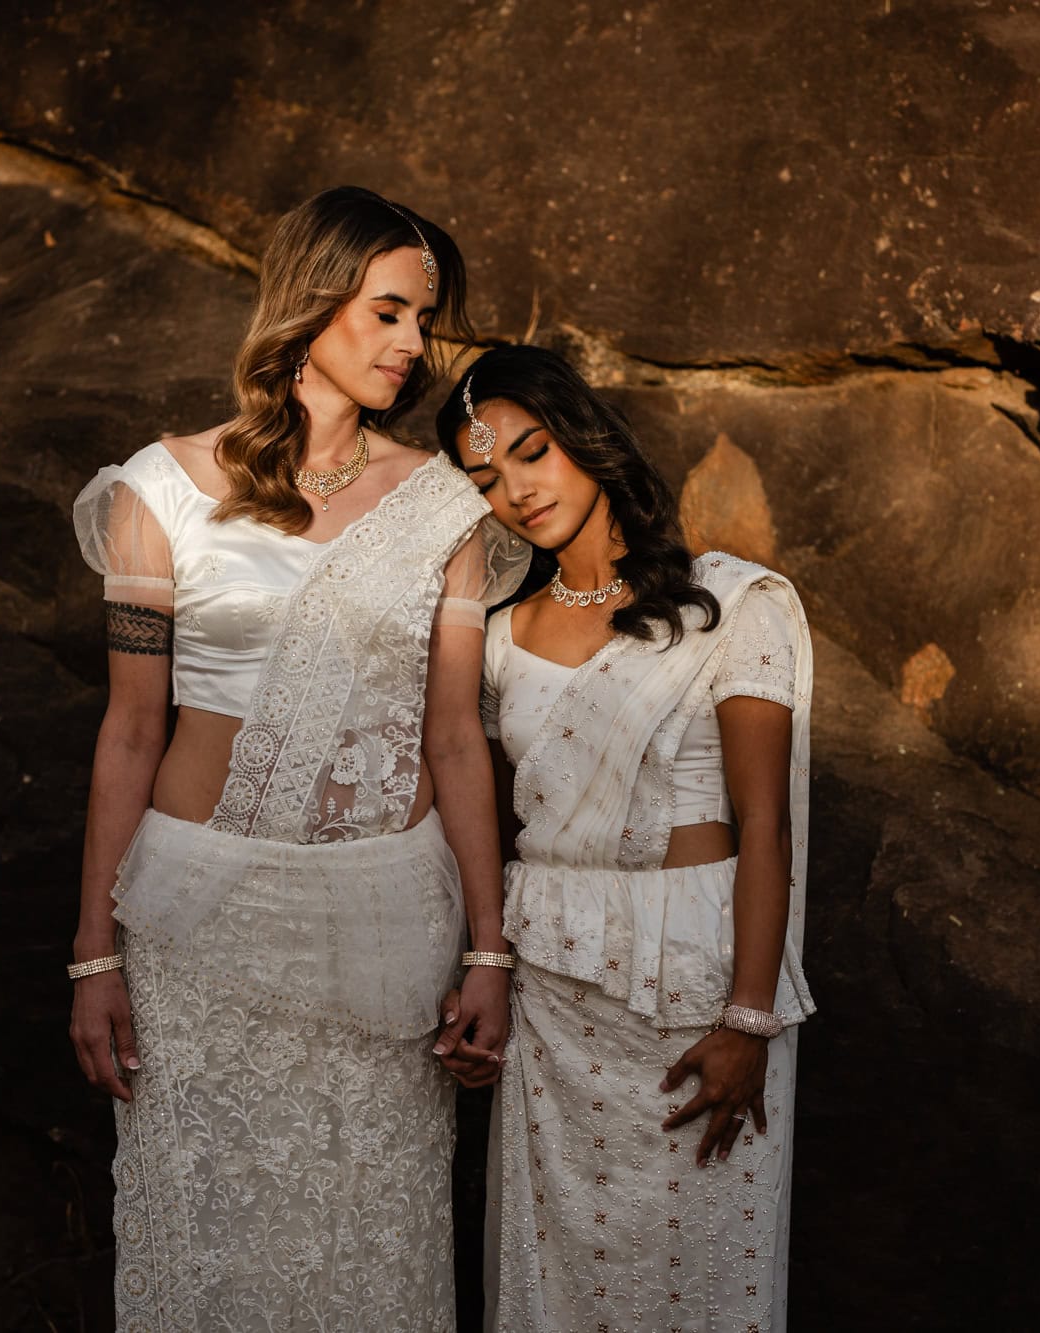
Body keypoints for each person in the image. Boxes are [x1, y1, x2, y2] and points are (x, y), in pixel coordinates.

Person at [67, 186, 527, 1331]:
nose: (412, 344)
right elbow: (131, 729)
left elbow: (455, 738)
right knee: (209, 1246)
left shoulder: (441, 506)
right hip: (194, 929)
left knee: (365, 1252)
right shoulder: (161, 490)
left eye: (423, 320)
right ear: (312, 303)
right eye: (386, 312)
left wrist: (487, 949)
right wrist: (91, 959)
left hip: (383, 932)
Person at [434, 345, 816, 1332]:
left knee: (694, 1277)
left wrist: (747, 1022)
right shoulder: (499, 632)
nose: (516, 489)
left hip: (691, 988)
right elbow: (472, 800)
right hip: (551, 998)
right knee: (560, 1276)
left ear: (585, 441)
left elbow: (763, 825)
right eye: (486, 478)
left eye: (532, 452)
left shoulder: (729, 604)